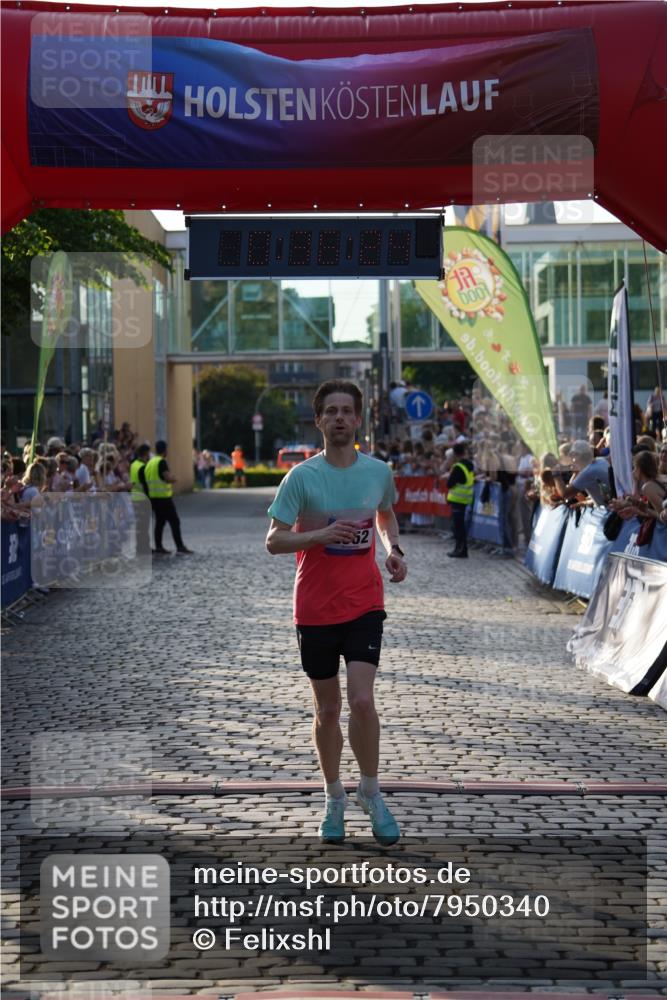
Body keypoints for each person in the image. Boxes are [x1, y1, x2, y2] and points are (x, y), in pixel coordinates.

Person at [265, 379, 407, 847]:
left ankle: (371, 790)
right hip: (314, 608)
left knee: (362, 701)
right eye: (332, 411)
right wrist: (319, 537)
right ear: (319, 420)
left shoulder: (378, 472)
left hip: (364, 603)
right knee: (327, 709)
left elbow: (384, 514)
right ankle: (333, 796)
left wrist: (393, 549)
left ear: (359, 418)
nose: (341, 417)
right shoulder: (302, 478)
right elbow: (274, 539)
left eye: (348, 410)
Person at [145, 440, 193, 555]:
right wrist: (173, 478)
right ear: (164, 450)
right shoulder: (161, 462)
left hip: (153, 498)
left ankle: (159, 547)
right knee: (174, 521)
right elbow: (166, 477)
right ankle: (180, 546)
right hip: (164, 498)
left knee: (160, 522)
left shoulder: (150, 462)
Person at [446, 441, 475, 557]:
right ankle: (461, 549)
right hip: (465, 499)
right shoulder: (469, 464)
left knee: (458, 527)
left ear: (455, 454)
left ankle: (460, 549)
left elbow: (449, 484)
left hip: (458, 500)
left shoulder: (458, 467)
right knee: (460, 526)